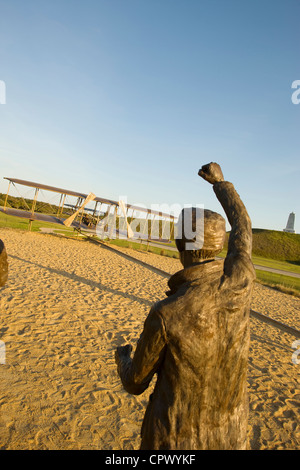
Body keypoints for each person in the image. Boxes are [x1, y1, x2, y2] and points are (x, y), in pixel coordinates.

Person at [115, 162, 255, 450]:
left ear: (180, 243)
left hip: (173, 441)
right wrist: (221, 183)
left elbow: (135, 382)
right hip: (232, 436)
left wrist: (122, 358)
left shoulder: (167, 313)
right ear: (219, 245)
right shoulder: (241, 280)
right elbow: (243, 226)